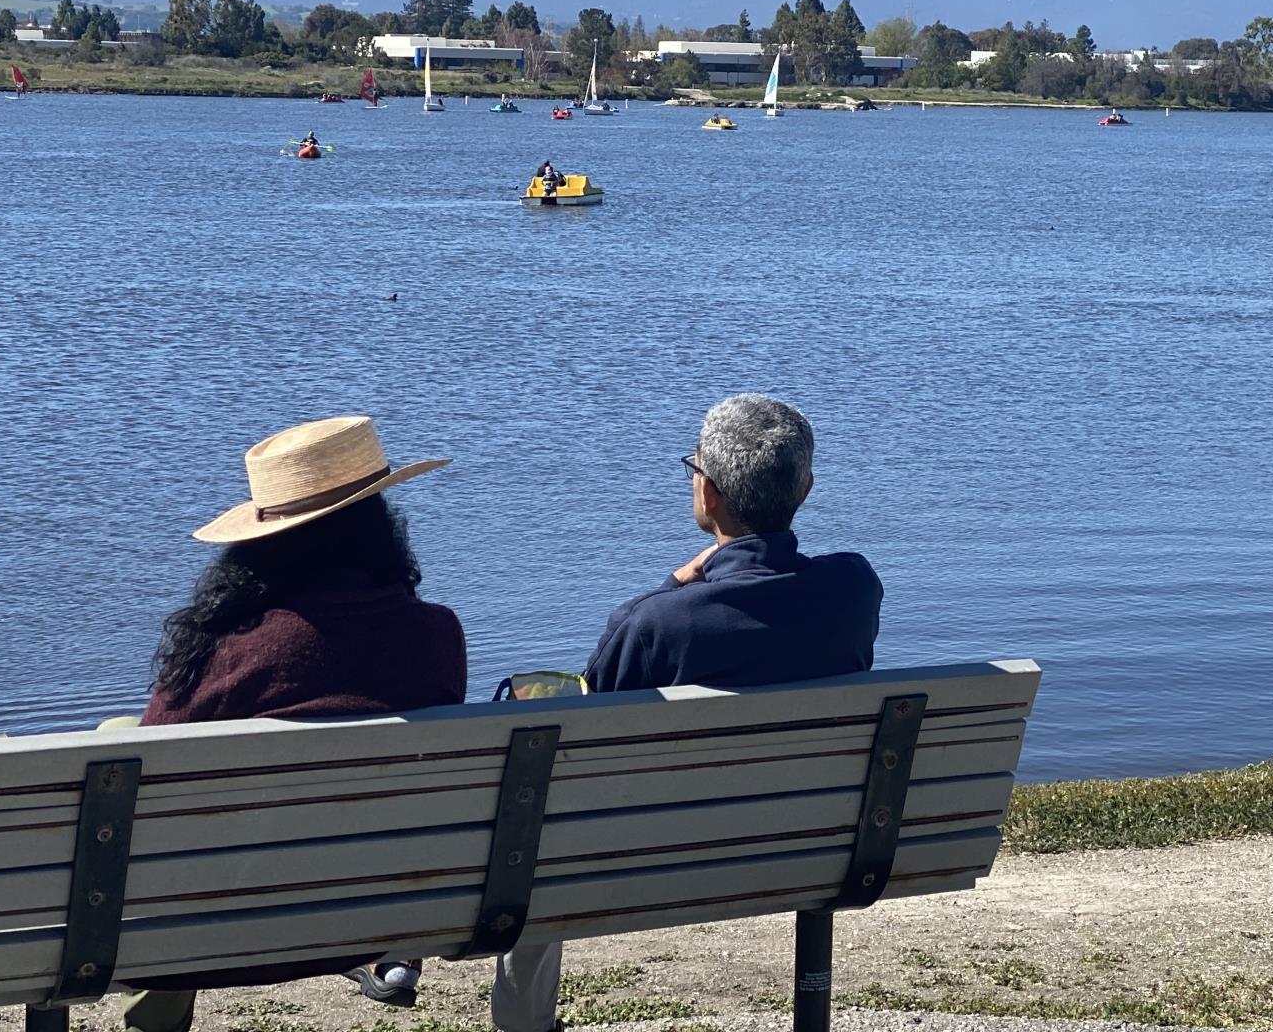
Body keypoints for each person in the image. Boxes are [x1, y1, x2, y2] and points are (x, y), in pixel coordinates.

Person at [490, 394, 880, 1032]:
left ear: (710, 495)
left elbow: (581, 747)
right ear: (804, 488)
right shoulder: (854, 589)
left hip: (648, 865)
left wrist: (669, 590)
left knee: (532, 840)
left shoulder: (654, 623)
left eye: (694, 468)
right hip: (816, 846)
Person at [121, 416, 467, 1032]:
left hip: (211, 929)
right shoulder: (437, 635)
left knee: (114, 747)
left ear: (262, 543)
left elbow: (153, 757)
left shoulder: (234, 649)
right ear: (378, 529)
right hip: (381, 908)